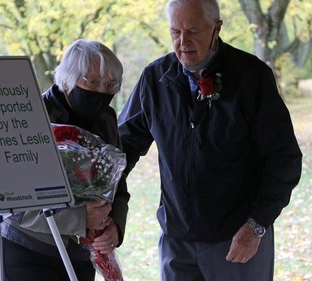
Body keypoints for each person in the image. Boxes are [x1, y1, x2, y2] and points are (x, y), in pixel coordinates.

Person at [118, 0, 302, 280]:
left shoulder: (251, 77)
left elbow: (283, 159)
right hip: (177, 242)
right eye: (175, 32)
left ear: (216, 29)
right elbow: (123, 147)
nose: (183, 42)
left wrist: (256, 225)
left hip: (237, 240)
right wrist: (101, 198)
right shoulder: (155, 79)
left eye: (193, 31)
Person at [0, 39, 130, 281]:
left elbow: (117, 181)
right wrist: (79, 218)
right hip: (27, 251)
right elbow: (14, 201)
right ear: (65, 79)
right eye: (92, 82)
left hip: (81, 254)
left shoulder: (105, 118)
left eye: (110, 85)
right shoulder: (28, 117)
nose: (101, 92)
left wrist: (114, 224)